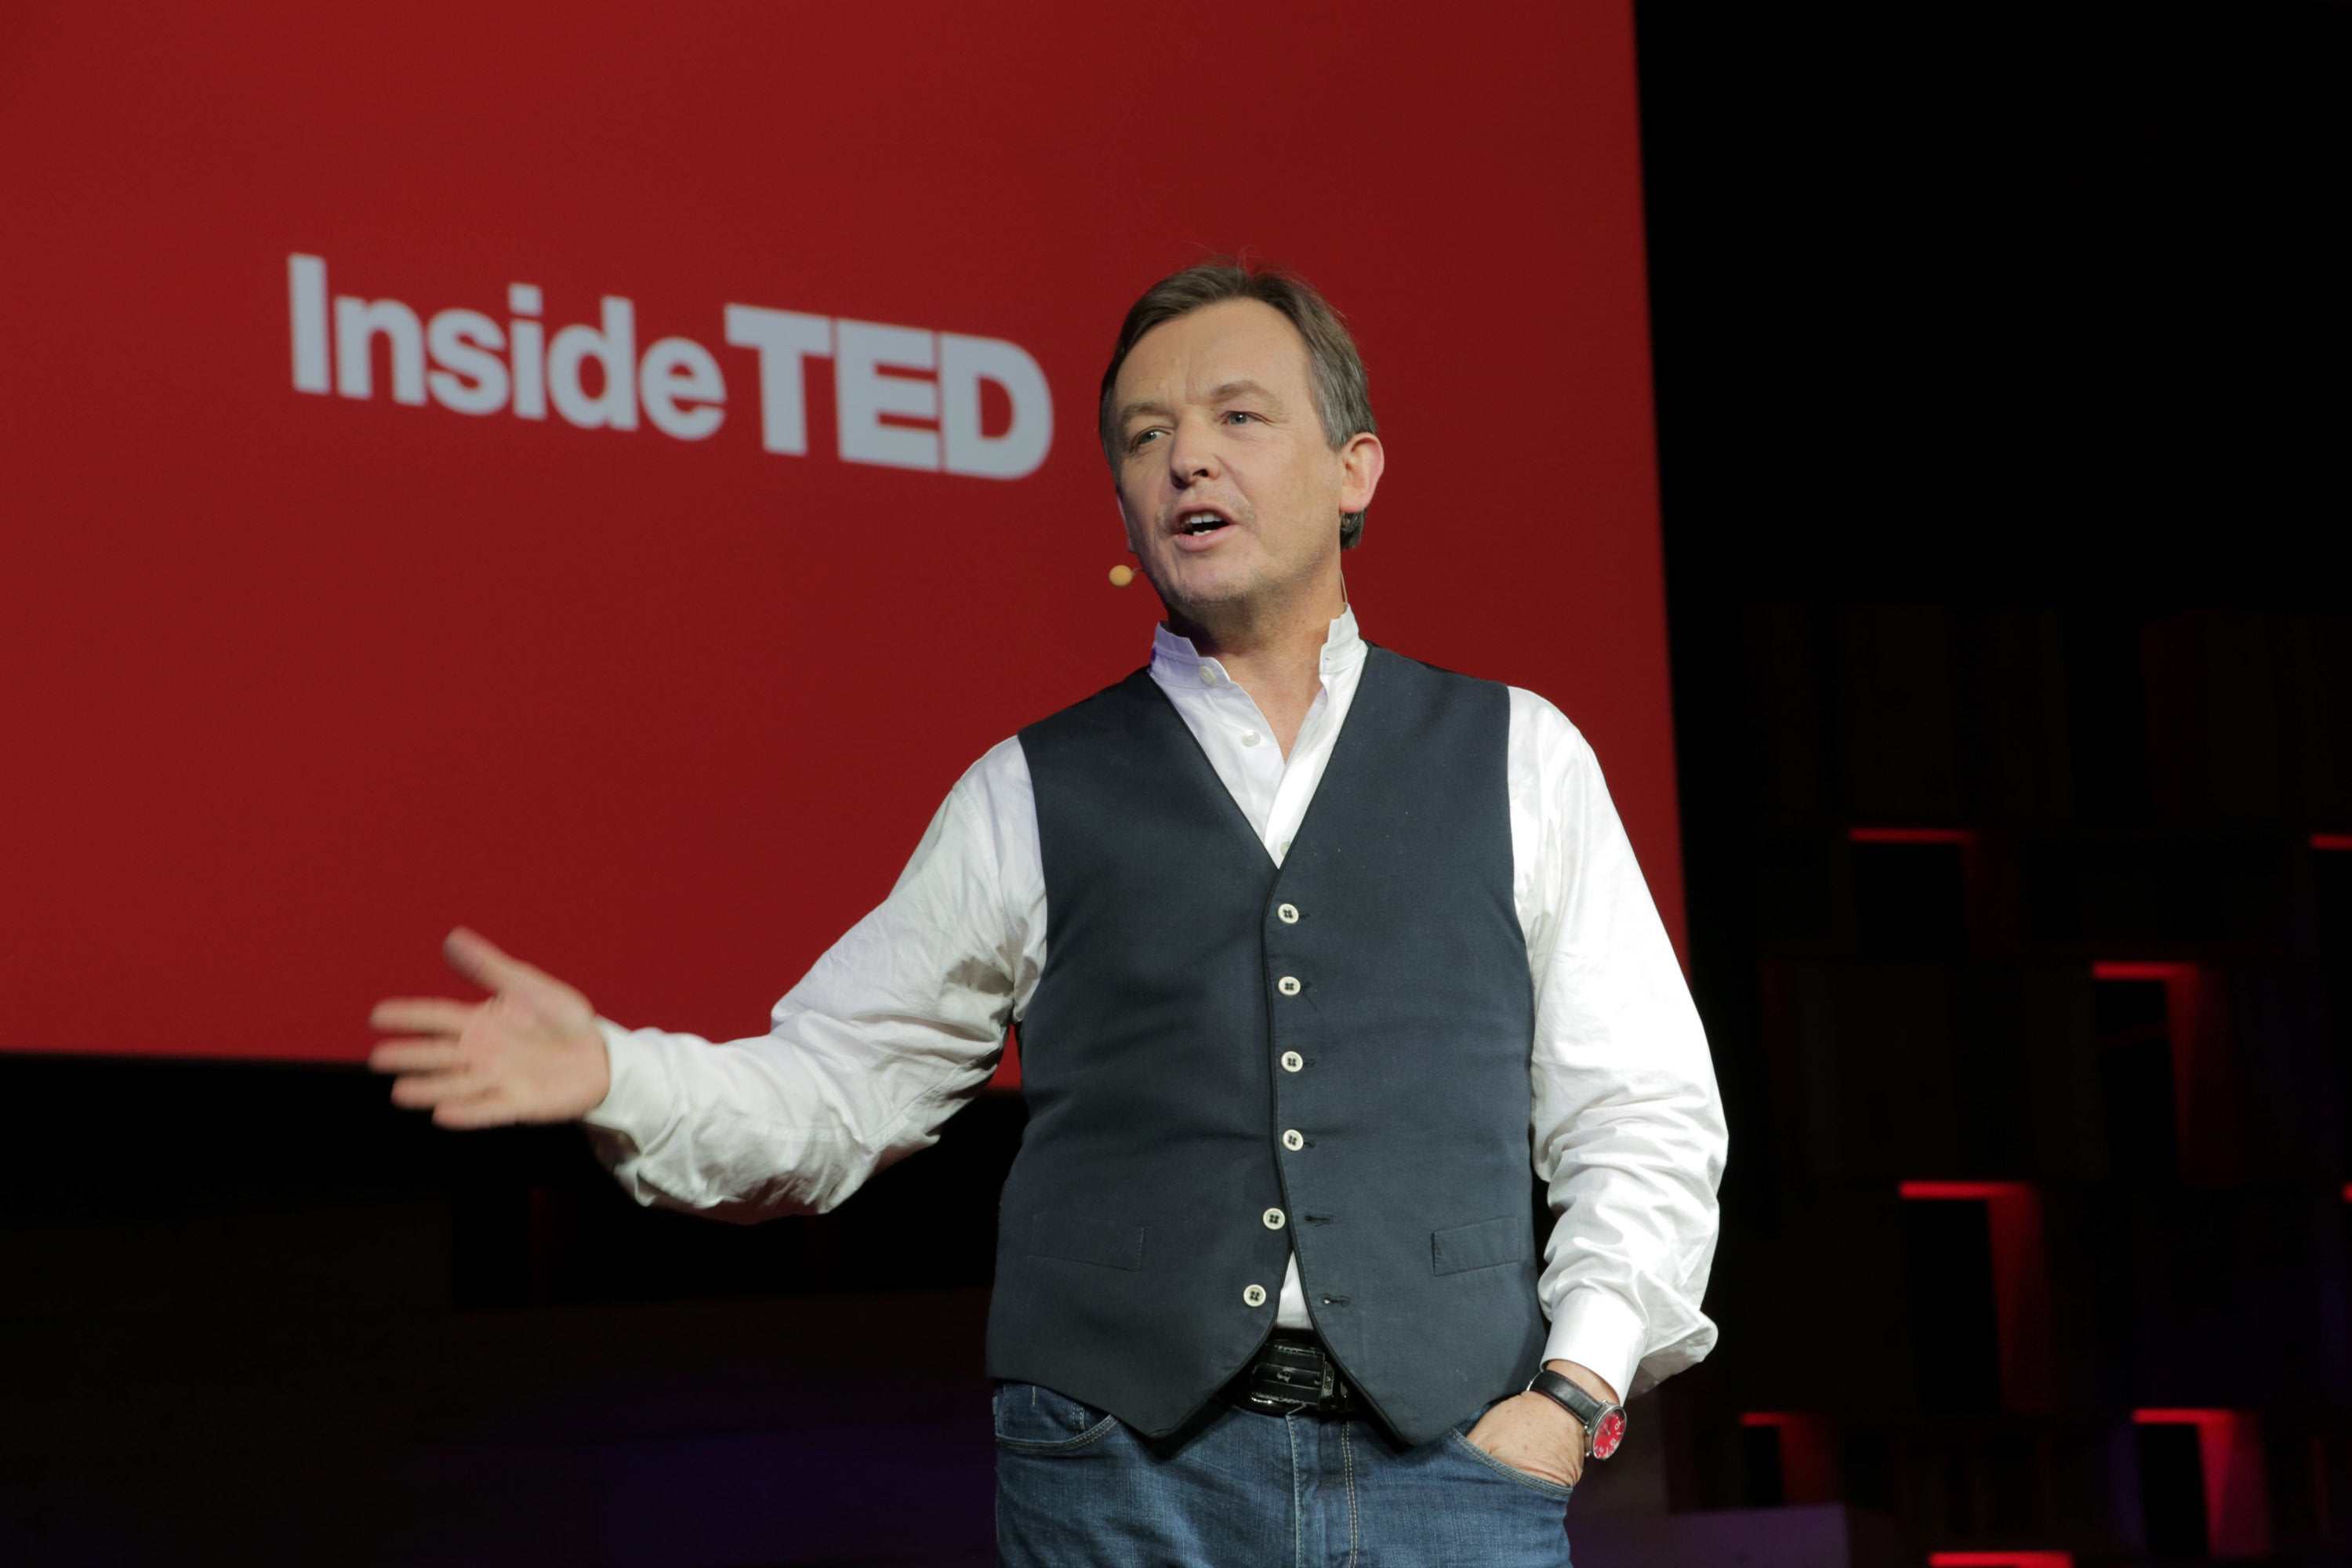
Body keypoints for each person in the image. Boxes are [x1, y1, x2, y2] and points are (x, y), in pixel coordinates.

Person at [368, 257, 1727, 1566]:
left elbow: (1641, 1111)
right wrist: (621, 1072)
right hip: (1124, 1488)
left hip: (1456, 1480)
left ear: (1354, 468)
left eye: (1238, 417)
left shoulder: (1521, 757)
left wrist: (1573, 1395)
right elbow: (839, 1086)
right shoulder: (1027, 792)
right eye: (1147, 436)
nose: (1187, 460)